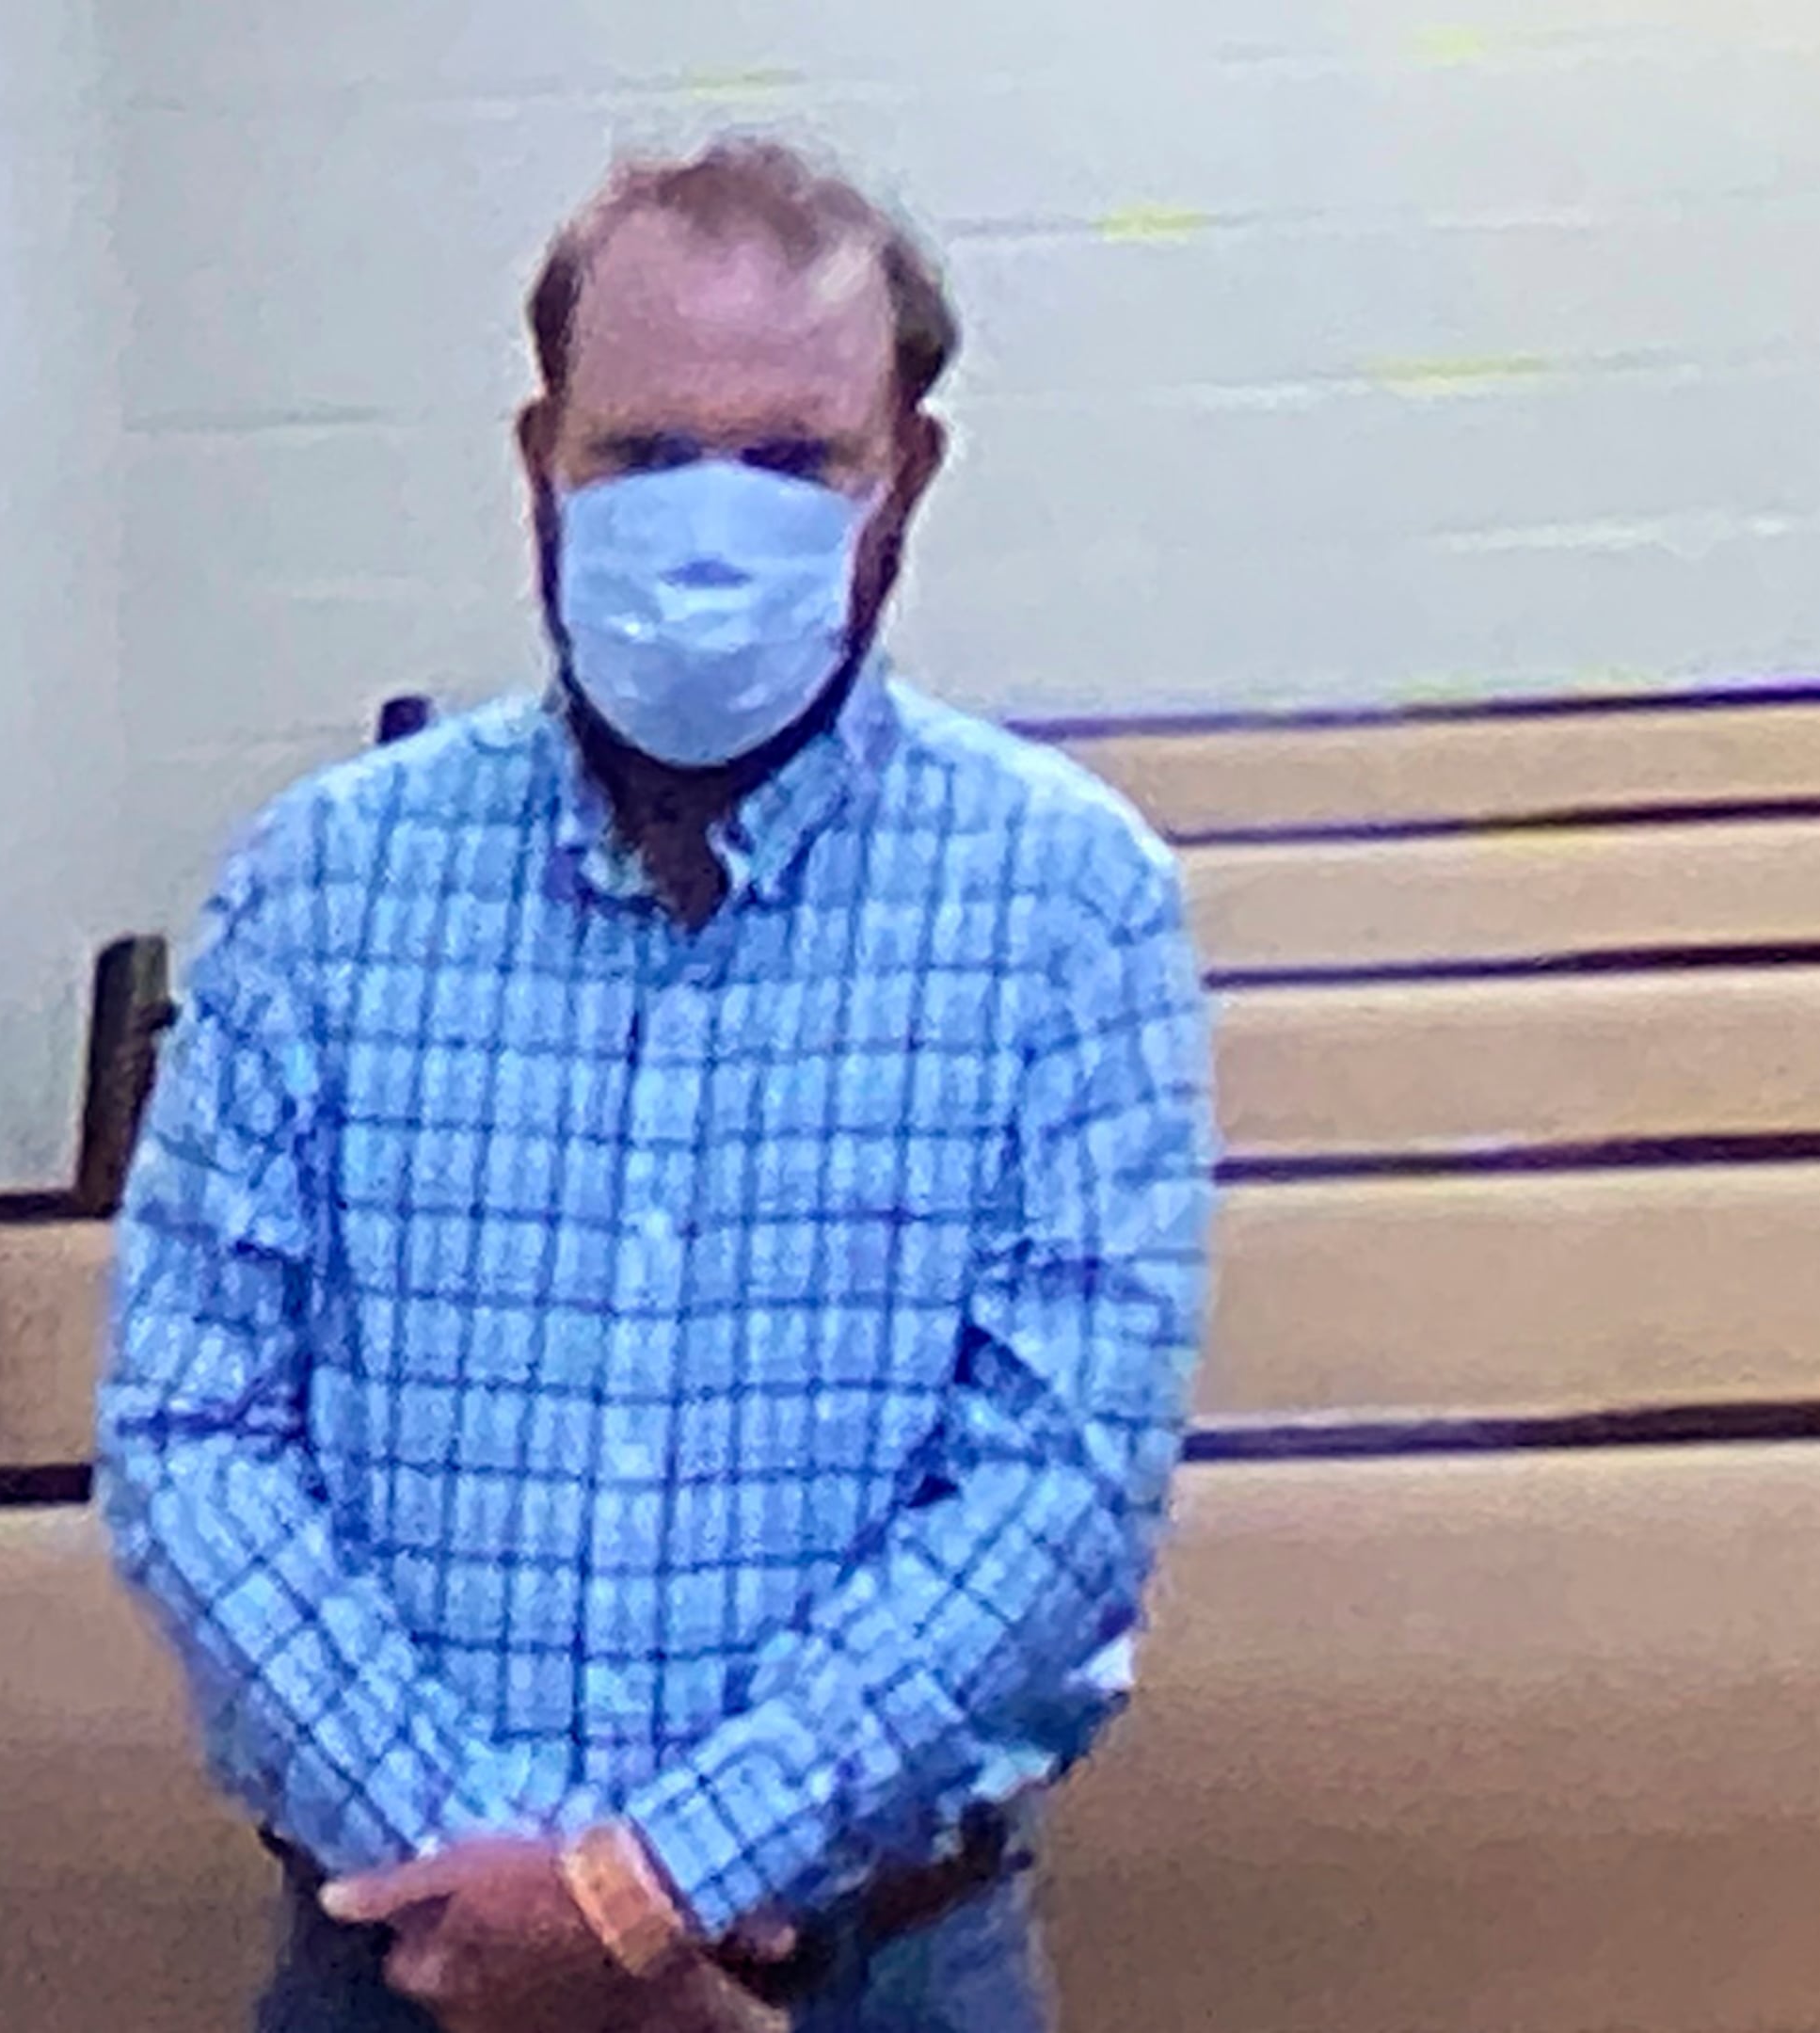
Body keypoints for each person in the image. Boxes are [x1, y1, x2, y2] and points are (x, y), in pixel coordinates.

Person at [97, 136, 1217, 2033]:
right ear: (540, 458)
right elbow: (193, 1429)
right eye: (642, 454)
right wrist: (503, 1899)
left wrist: (646, 1889)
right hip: (399, 1956)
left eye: (794, 462)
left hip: (874, 1972)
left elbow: (1058, 1483)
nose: (712, 525)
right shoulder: (322, 881)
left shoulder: (1071, 901)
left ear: (905, 480)